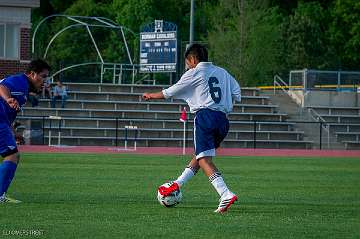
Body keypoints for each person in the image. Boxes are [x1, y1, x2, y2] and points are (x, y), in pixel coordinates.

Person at [143, 43, 241, 213]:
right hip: (223, 120)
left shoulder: (195, 72)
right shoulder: (223, 72)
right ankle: (177, 183)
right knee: (200, 156)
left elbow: (170, 92)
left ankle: (225, 193)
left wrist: (150, 95)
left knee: (204, 160)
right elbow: (237, 93)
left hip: (205, 117)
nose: (187, 65)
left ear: (193, 59)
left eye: (187, 62)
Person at [0, 59, 50, 203]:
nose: (44, 81)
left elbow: (7, 116)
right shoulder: (21, 81)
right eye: (43, 76)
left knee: (11, 155)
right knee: (12, 155)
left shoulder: (23, 88)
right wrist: (8, 98)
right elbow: (2, 87)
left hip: (3, 121)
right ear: (33, 74)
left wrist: (13, 133)